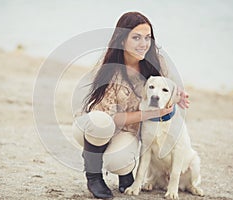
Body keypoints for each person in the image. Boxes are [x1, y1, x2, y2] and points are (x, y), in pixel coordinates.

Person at [72, 11, 189, 199]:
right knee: (101, 123)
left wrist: (178, 95)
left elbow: (167, 87)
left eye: (147, 38)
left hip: (126, 130)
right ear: (121, 40)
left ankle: (124, 173)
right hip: (94, 128)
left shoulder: (157, 63)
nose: (143, 44)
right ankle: (93, 175)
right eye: (136, 38)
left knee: (120, 162)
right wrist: (152, 114)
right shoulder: (110, 69)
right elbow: (112, 118)